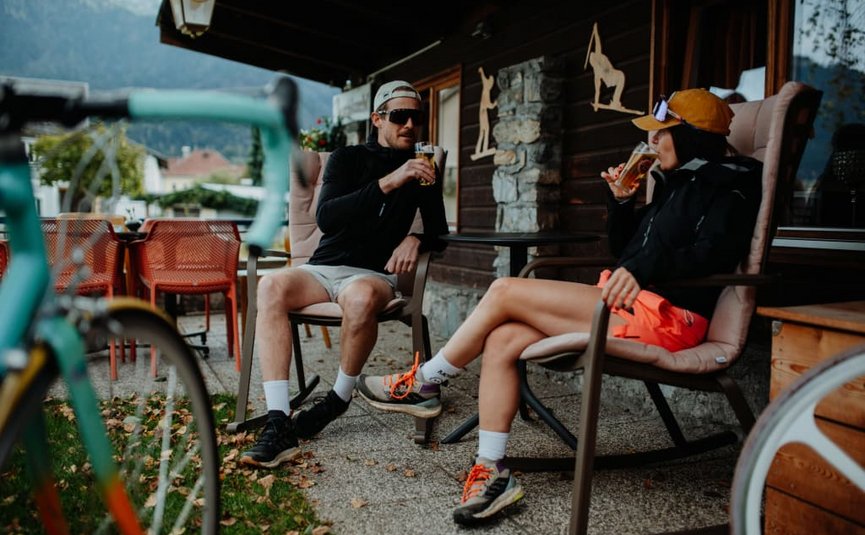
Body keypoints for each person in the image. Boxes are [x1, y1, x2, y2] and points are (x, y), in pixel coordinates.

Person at [357, 88, 762, 524]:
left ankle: (426, 381)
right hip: (628, 303)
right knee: (504, 337)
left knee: (504, 291)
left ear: (691, 136)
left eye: (662, 134)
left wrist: (646, 266)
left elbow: (711, 255)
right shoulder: (676, 183)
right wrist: (622, 202)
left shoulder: (730, 186)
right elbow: (627, 252)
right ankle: (492, 470)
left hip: (667, 319)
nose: (654, 143)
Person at [240, 80, 448, 468]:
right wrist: (390, 181)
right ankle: (278, 421)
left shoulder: (424, 167)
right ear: (377, 119)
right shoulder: (347, 158)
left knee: (361, 298)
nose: (408, 124)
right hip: (322, 268)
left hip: (371, 276)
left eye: (415, 118)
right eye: (399, 116)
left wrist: (417, 238)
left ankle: (338, 398)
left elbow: (440, 231)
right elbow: (327, 217)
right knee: (270, 286)